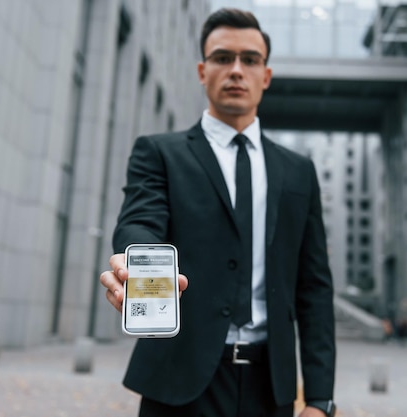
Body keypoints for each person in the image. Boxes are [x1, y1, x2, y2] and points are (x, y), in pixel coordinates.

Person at [99, 7, 336, 417]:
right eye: (223, 58)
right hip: (179, 382)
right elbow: (140, 221)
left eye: (250, 59)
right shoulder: (159, 153)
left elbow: (314, 287)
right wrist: (135, 263)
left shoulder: (298, 171)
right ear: (201, 70)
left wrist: (319, 399)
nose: (236, 70)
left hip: (272, 387)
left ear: (266, 75)